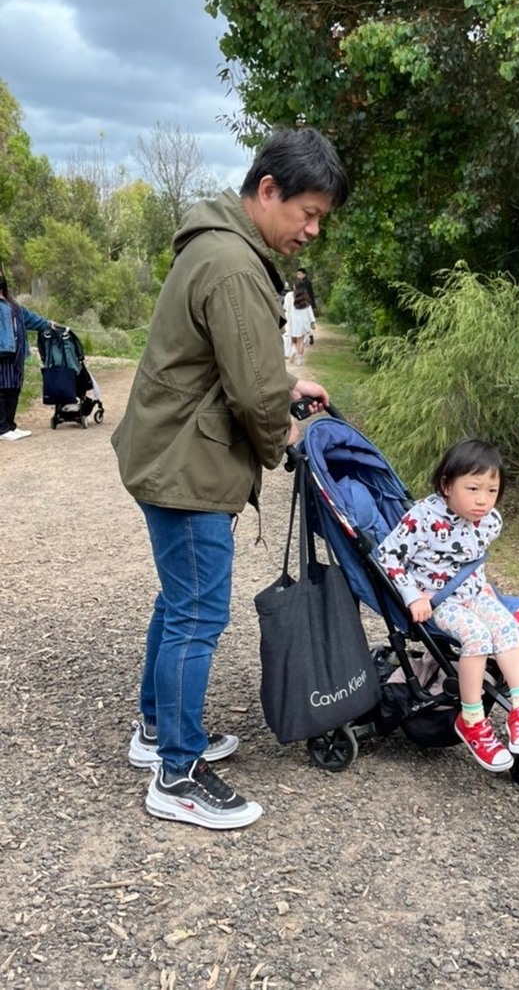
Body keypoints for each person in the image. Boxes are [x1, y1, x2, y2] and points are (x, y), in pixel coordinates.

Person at [111, 127, 349, 830]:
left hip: (172, 453)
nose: (311, 230)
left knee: (178, 600)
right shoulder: (234, 265)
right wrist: (285, 430)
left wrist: (285, 384)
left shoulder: (218, 246)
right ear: (267, 190)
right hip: (187, 463)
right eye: (307, 212)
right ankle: (177, 773)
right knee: (197, 614)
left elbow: (236, 365)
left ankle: (156, 730)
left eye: (320, 220)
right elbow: (249, 391)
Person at [376, 439, 519, 772]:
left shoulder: (489, 521)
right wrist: (412, 595)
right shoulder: (422, 517)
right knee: (478, 636)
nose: (482, 500)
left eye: (492, 490)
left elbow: (471, 557)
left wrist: (485, 586)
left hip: (474, 595)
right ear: (446, 486)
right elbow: (388, 555)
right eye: (473, 488)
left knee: (506, 626)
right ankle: (472, 720)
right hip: (437, 601)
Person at [0, 272, 58, 441]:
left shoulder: (13, 304)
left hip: (16, 354)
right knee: (1, 390)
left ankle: (10, 426)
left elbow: (30, 319)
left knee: (14, 388)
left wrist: (48, 324)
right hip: (2, 354)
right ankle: (2, 429)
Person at [283, 281, 315, 364]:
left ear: (295, 286)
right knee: (301, 340)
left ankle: (293, 350)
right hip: (304, 322)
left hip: (293, 321)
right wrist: (312, 322)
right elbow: (309, 310)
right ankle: (299, 359)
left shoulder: (289, 295)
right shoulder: (305, 296)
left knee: (294, 340)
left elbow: (285, 307)